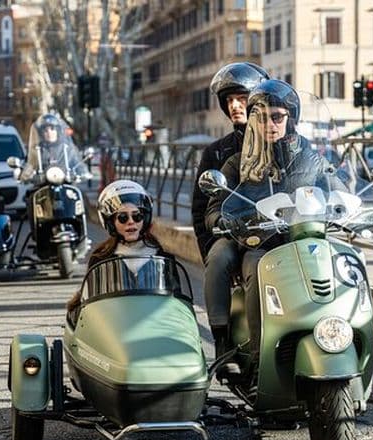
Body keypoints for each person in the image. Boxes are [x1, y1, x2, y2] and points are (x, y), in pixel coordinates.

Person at [205, 79, 342, 373]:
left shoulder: (314, 160)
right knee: (255, 268)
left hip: (303, 241)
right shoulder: (238, 162)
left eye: (277, 116)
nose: (270, 124)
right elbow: (214, 207)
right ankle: (256, 358)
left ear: (291, 117)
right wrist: (224, 220)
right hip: (259, 244)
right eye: (261, 117)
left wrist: (352, 207)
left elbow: (338, 190)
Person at [192, 62, 269, 367]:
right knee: (219, 258)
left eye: (241, 98)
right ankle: (222, 339)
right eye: (229, 101)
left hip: (274, 233)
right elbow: (201, 208)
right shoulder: (217, 152)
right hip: (232, 233)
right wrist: (209, 246)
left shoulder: (281, 142)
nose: (235, 106)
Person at [66, 180, 167, 322]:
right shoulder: (101, 257)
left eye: (137, 216)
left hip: (153, 323)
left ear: (145, 218)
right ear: (111, 222)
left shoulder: (160, 255)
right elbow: (90, 304)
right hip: (113, 324)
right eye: (123, 217)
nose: (131, 222)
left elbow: (174, 301)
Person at [22, 113, 90, 183]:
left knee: (76, 190)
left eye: (52, 129)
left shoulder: (67, 148)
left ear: (58, 131)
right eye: (45, 130)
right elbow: (30, 165)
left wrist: (82, 172)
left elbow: (78, 164)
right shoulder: (36, 150)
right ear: (41, 133)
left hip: (65, 182)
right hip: (43, 184)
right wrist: (27, 174)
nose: (49, 132)